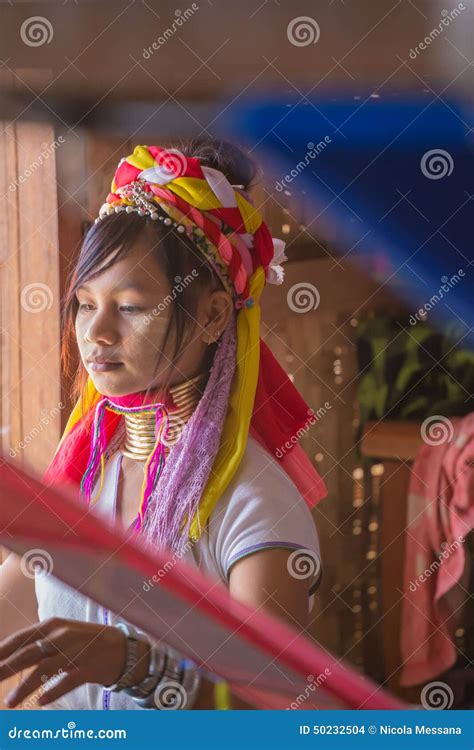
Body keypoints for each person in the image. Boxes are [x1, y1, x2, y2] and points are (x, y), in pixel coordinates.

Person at [0, 139, 327, 711]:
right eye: (83, 302)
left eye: (129, 306)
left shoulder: (251, 503)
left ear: (212, 315)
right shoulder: (82, 474)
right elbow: (16, 610)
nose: (95, 332)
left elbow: (281, 716)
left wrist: (141, 669)